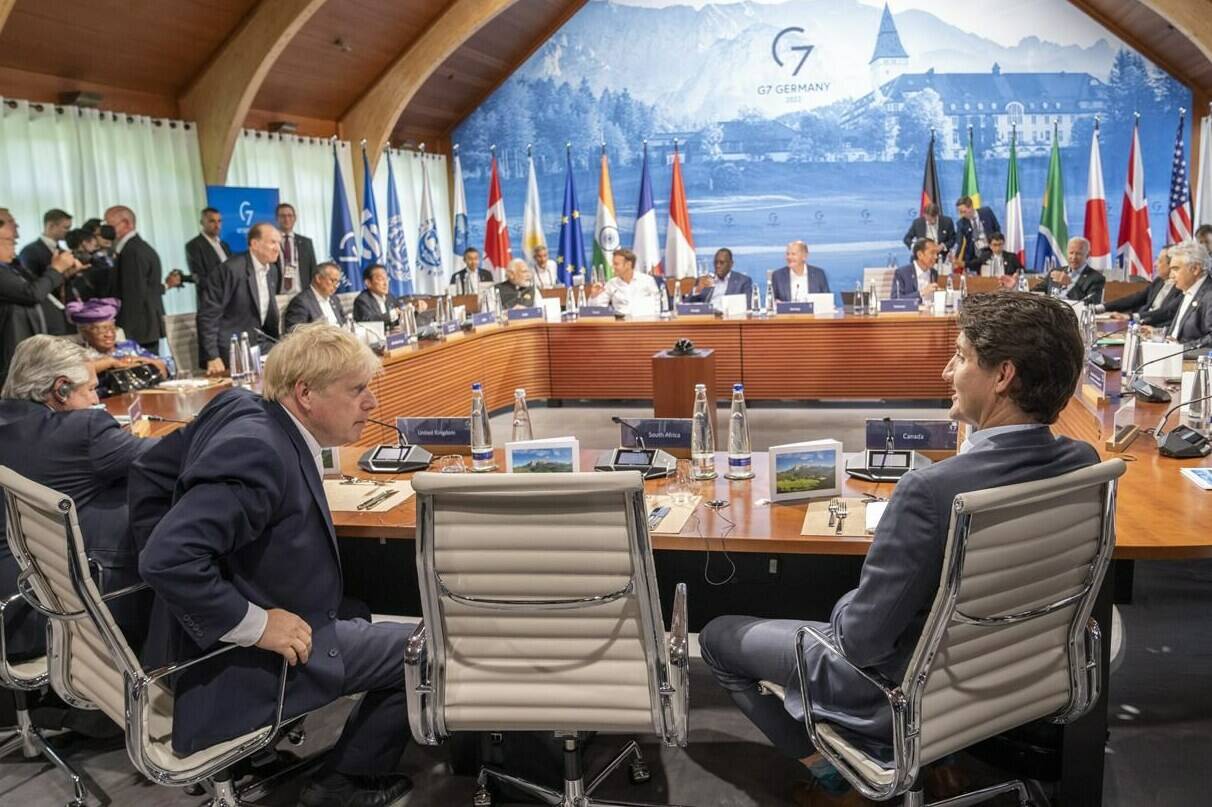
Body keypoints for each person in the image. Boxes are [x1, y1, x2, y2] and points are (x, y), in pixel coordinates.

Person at [698, 292, 1096, 807]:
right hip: (1007, 676)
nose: (946, 371)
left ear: (1003, 377)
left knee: (717, 638)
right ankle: (943, 758)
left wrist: (841, 604)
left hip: (900, 687)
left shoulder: (930, 491)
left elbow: (860, 644)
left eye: (959, 356)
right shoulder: (1082, 464)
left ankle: (835, 777)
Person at [132, 323, 415, 806]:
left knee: (360, 603)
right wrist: (254, 622)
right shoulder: (259, 451)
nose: (371, 404)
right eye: (357, 391)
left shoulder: (238, 406)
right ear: (305, 393)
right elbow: (167, 556)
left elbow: (150, 473)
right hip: (238, 663)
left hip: (202, 637)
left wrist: (214, 584)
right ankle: (340, 784)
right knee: (425, 652)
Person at [1, 336, 157, 661]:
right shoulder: (81, 432)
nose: (96, 399)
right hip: (43, 613)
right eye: (90, 389)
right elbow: (165, 457)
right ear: (60, 389)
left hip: (12, 604)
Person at [1, 208, 80, 387]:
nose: (17, 228)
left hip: (33, 349)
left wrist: (63, 274)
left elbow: (39, 288)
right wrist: (56, 269)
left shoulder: (12, 267)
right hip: (14, 354)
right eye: (9, 242)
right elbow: (31, 294)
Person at [198, 222, 282, 377]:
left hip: (259, 343)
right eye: (273, 242)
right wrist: (212, 356)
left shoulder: (273, 271)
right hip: (231, 347)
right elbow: (208, 315)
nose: (278, 248)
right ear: (255, 244)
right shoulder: (231, 270)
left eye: (279, 243)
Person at [103, 205, 169, 351]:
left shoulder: (132, 252)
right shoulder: (137, 248)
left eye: (109, 224)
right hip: (144, 328)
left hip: (138, 331)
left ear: (126, 223)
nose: (105, 229)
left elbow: (133, 295)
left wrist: (124, 334)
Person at [68, 297, 173, 382]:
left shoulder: (128, 346)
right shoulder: (81, 354)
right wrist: (111, 363)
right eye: (100, 330)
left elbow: (169, 363)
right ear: (85, 333)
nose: (109, 334)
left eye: (112, 328)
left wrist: (142, 360)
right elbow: (73, 372)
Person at [1143, 240, 1212, 351]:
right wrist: (1158, 333)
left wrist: (1181, 349)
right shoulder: (1189, 290)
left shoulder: (1209, 295)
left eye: (1175, 269)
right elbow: (1180, 332)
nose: (1171, 275)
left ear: (1195, 269)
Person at [18, 208, 74, 335]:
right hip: (44, 312)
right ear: (51, 226)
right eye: (65, 227)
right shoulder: (29, 251)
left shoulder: (62, 251)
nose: (69, 232)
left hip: (63, 310)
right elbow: (31, 284)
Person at [1095, 246, 1181, 326]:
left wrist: (1131, 317)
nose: (1155, 265)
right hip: (1141, 325)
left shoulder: (1180, 287)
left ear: (1171, 264)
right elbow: (1135, 299)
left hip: (1158, 329)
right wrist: (1102, 307)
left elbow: (1166, 312)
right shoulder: (1159, 281)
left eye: (1159, 261)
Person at [352, 264, 433, 330]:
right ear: (368, 283)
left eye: (386, 279)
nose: (385, 283)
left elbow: (400, 319)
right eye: (381, 279)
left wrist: (414, 310)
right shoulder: (362, 301)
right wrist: (391, 314)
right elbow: (369, 323)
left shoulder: (390, 297)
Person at [586, 248, 665, 315]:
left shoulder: (647, 280)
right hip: (620, 326)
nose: (613, 267)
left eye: (616, 264)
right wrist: (594, 296)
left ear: (628, 264)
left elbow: (658, 304)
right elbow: (598, 310)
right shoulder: (611, 284)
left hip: (645, 323)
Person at [1032, 236, 1106, 303]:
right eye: (1071, 253)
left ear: (1087, 255)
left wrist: (1070, 284)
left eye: (1078, 254)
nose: (1073, 257)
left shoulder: (1096, 278)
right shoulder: (1056, 272)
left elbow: (1091, 303)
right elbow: (1035, 292)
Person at [174, 207, 230, 289]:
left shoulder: (224, 245)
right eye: (212, 221)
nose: (217, 225)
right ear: (202, 223)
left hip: (230, 298)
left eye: (219, 221)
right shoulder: (193, 245)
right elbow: (199, 278)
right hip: (211, 299)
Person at [284, 262, 347, 332]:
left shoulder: (335, 299)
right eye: (332, 281)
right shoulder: (301, 302)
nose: (336, 286)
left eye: (337, 282)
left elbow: (343, 323)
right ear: (318, 278)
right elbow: (295, 332)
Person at [275, 202, 318, 293]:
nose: (286, 219)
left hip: (302, 294)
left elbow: (313, 270)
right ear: (277, 219)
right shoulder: (272, 241)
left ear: (295, 218)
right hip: (278, 294)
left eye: (290, 215)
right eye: (282, 216)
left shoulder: (306, 243)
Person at [687, 247, 753, 304]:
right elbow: (686, 305)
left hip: (729, 317)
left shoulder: (743, 281)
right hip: (708, 317)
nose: (718, 266)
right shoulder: (704, 280)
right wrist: (698, 290)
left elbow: (747, 305)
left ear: (731, 264)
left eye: (722, 263)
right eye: (716, 262)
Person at [954, 196, 1001, 264]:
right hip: (973, 256)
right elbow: (959, 242)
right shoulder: (961, 223)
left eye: (963, 211)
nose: (962, 215)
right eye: (959, 212)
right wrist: (955, 256)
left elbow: (997, 228)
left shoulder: (986, 212)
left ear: (971, 207)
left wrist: (997, 247)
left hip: (990, 251)